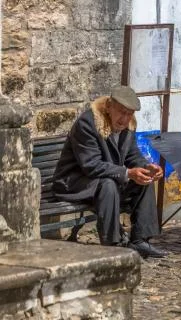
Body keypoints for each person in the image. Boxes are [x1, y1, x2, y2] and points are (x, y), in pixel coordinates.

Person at [52, 85, 168, 258]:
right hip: (75, 183)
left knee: (143, 179)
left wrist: (146, 167)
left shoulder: (127, 128)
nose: (125, 118)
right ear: (108, 106)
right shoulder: (88, 123)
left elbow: (132, 155)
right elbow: (91, 165)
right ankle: (113, 243)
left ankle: (140, 240)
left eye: (129, 114)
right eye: (121, 112)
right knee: (108, 184)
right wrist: (128, 173)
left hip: (106, 181)